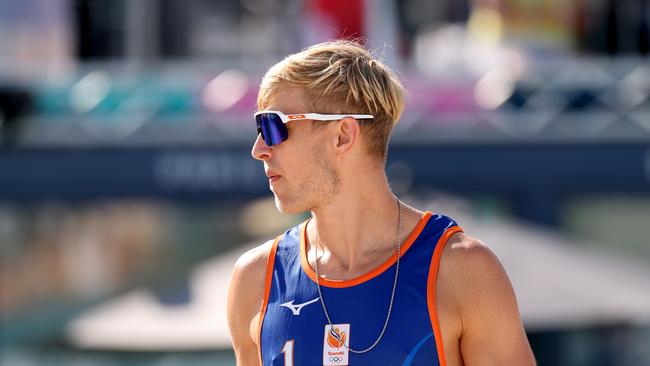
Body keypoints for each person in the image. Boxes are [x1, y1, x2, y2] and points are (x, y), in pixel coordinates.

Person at [227, 40, 536, 366]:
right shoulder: (256, 279)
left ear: (343, 135)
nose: (259, 148)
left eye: (273, 126)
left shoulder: (463, 269)